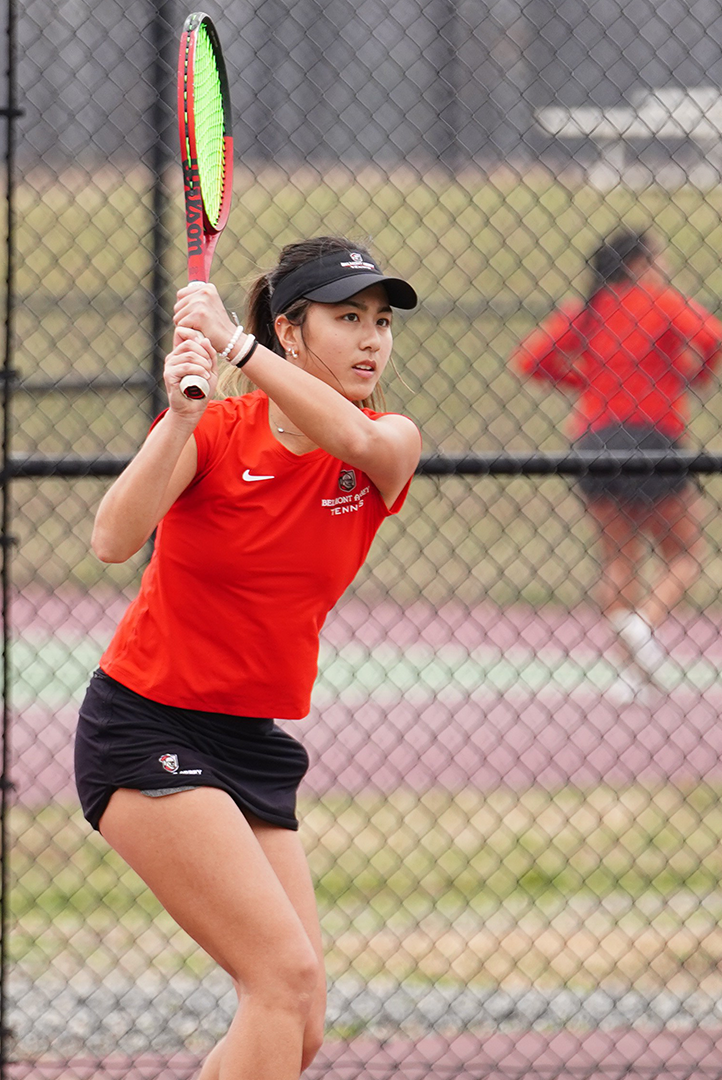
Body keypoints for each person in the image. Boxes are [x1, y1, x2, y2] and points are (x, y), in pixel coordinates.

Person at [74, 237, 422, 1079]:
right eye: (349, 319)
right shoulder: (217, 431)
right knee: (281, 975)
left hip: (250, 740)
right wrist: (183, 417)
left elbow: (344, 434)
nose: (373, 339)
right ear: (293, 332)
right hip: (145, 723)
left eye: (381, 321)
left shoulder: (386, 441)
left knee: (297, 1022)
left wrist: (236, 346)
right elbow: (113, 539)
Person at [514, 228, 722, 698]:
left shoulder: (591, 311)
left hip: (595, 440)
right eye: (658, 257)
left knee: (619, 559)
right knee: (685, 553)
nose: (663, 265)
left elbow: (532, 359)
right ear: (639, 263)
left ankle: (633, 673)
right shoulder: (661, 302)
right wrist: (691, 377)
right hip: (654, 436)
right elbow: (713, 336)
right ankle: (644, 625)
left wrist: (586, 384)